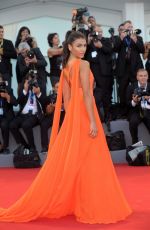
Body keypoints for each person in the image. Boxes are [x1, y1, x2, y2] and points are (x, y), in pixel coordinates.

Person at [0, 31, 131, 224]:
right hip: (86, 114)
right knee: (91, 158)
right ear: (69, 47)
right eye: (78, 45)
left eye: (84, 45)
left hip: (74, 115)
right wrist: (94, 121)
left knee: (79, 159)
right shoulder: (83, 64)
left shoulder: (66, 67)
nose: (82, 49)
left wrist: (71, 120)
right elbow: (87, 95)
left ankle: (82, 202)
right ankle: (92, 205)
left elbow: (68, 100)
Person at [126, 68, 150, 144]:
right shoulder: (131, 87)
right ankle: (135, 142)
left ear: (148, 77)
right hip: (136, 111)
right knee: (133, 122)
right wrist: (134, 101)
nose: (143, 78)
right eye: (141, 76)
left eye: (145, 76)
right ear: (137, 77)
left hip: (148, 111)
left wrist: (149, 99)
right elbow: (127, 103)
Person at [0, 25, 17, 89]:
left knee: (7, 90)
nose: (1, 33)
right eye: (0, 32)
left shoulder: (8, 42)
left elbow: (14, 55)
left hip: (6, 71)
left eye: (2, 32)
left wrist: (3, 53)